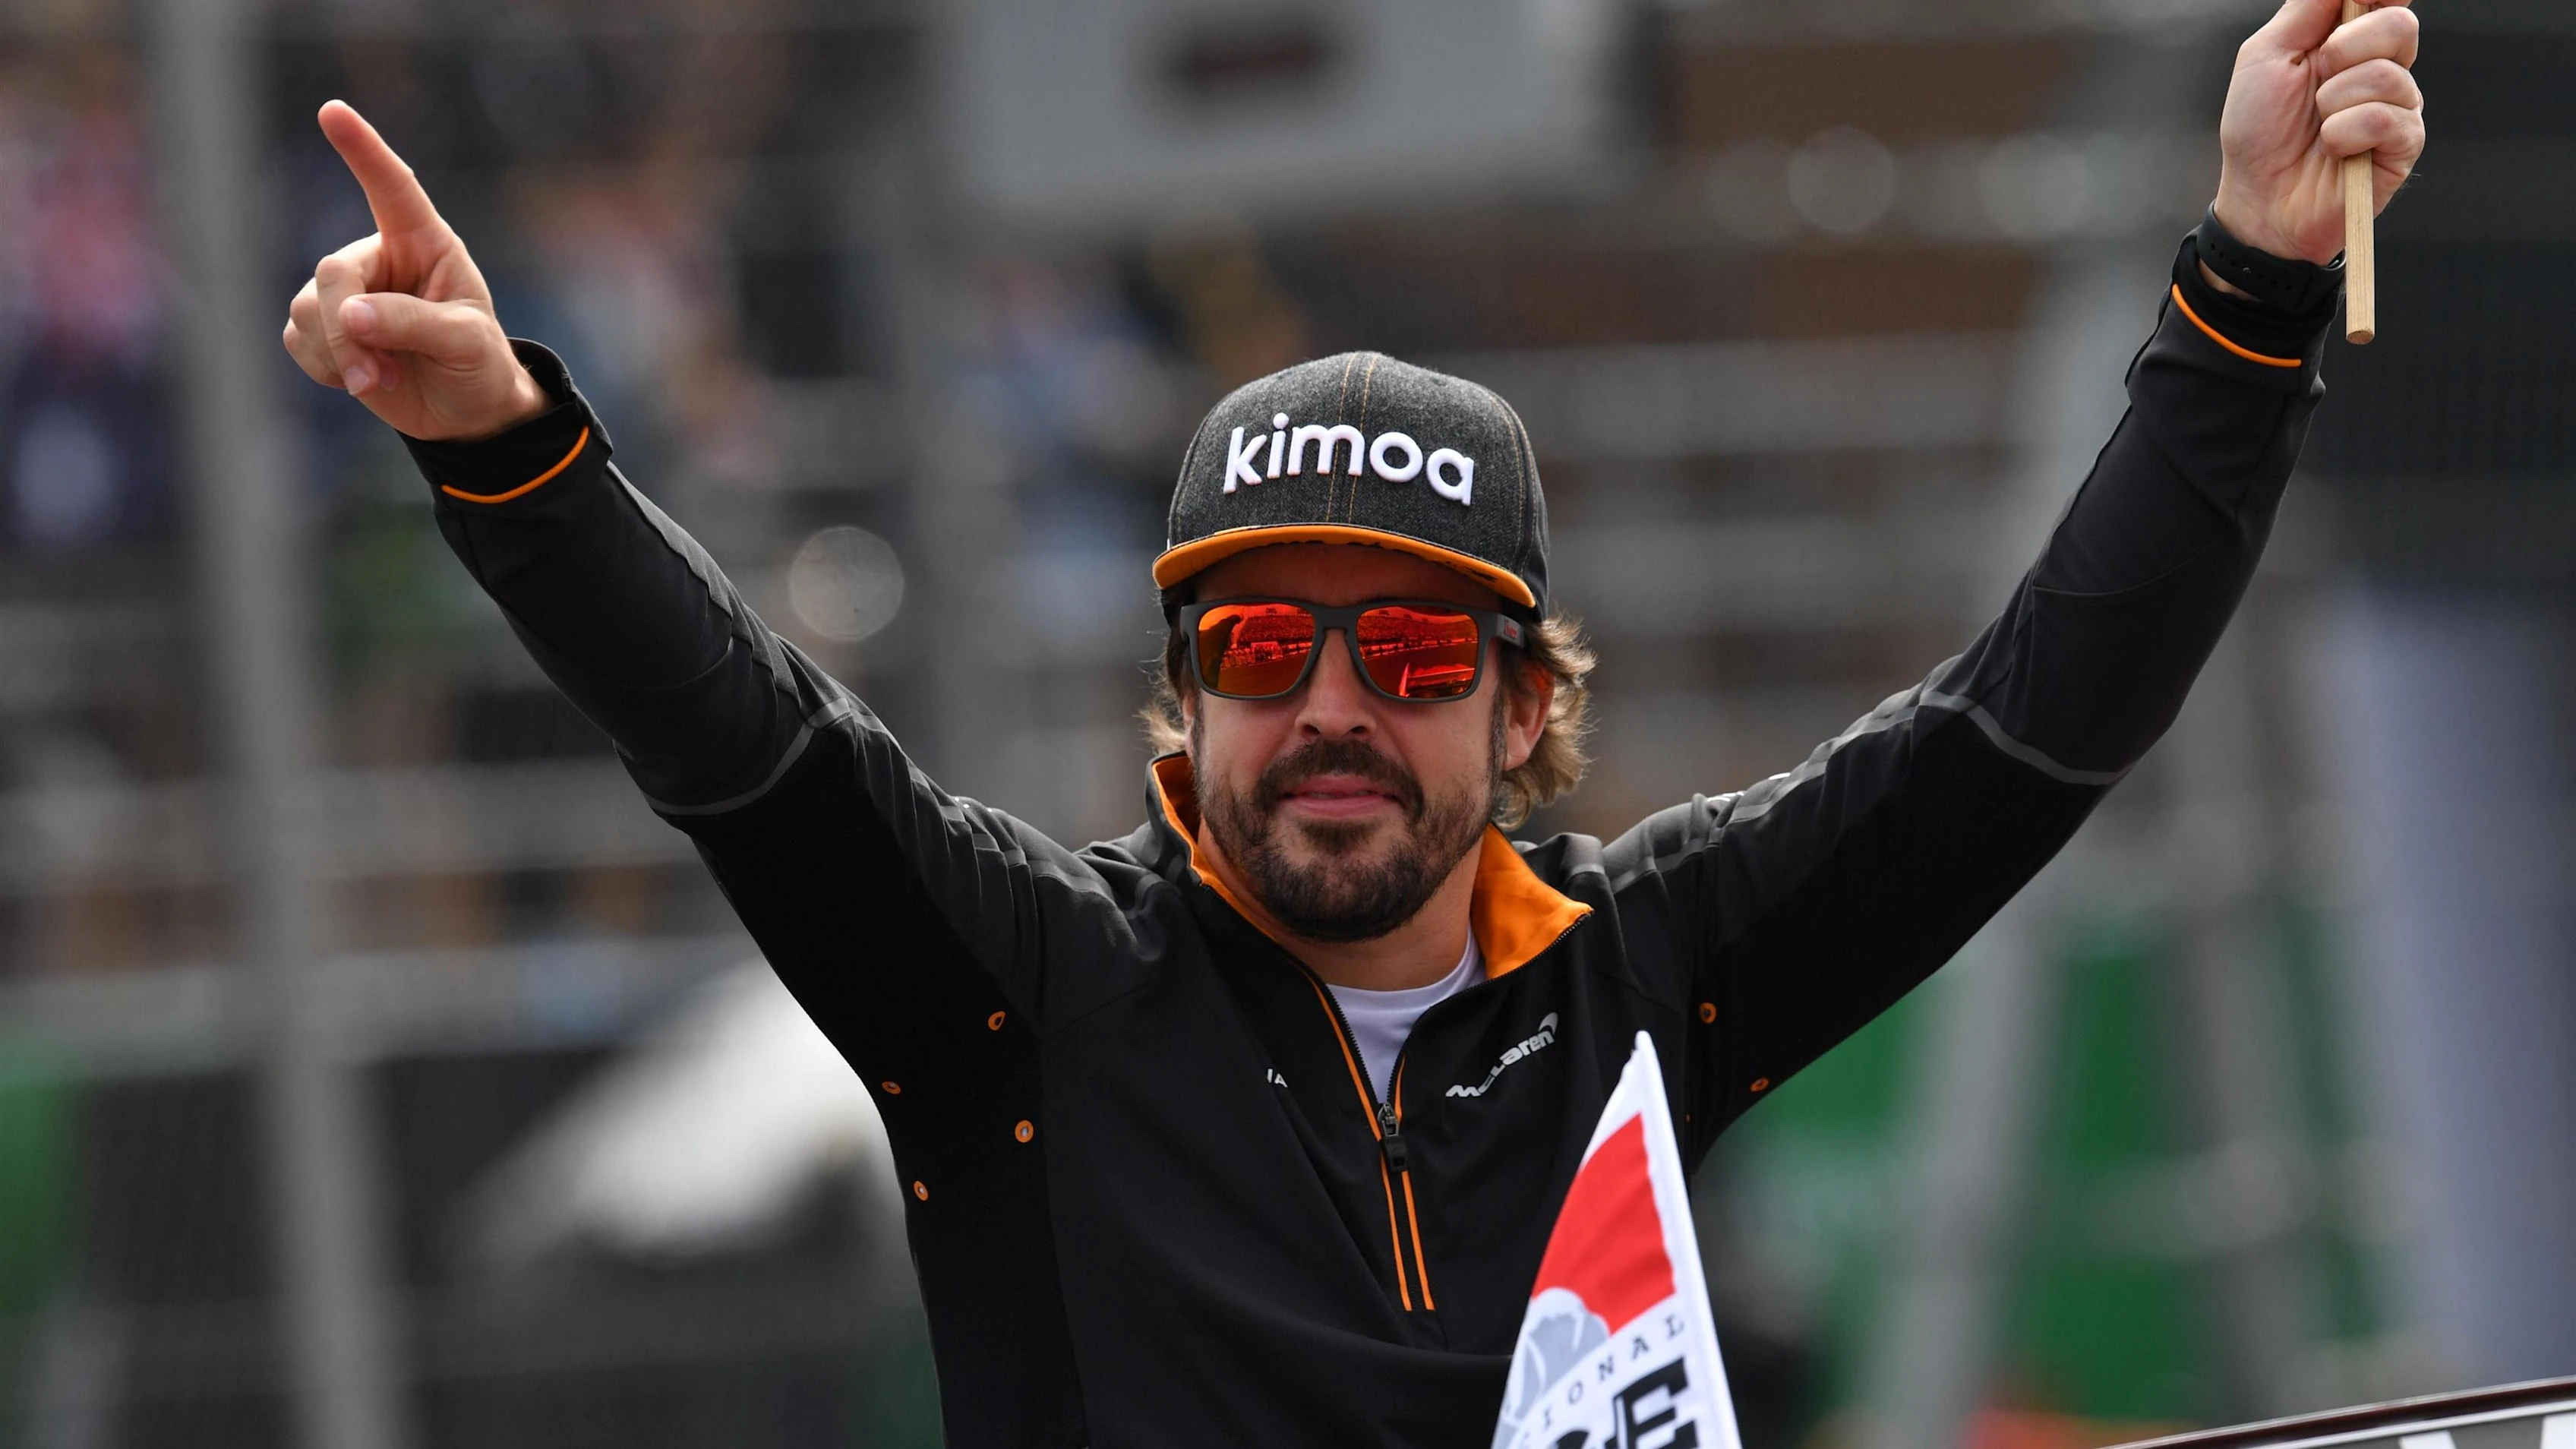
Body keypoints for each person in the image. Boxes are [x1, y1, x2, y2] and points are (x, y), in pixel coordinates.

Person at [280, 2, 2425, 1443]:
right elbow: (741, 737)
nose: (1328, 710)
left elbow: (2038, 720)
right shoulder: (1024, 989)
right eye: (1258, 649)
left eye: (1405, 655)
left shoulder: (1651, 967)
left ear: (1522, 707)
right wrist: (508, 448)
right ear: (1183, 700)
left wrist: (2252, 277)